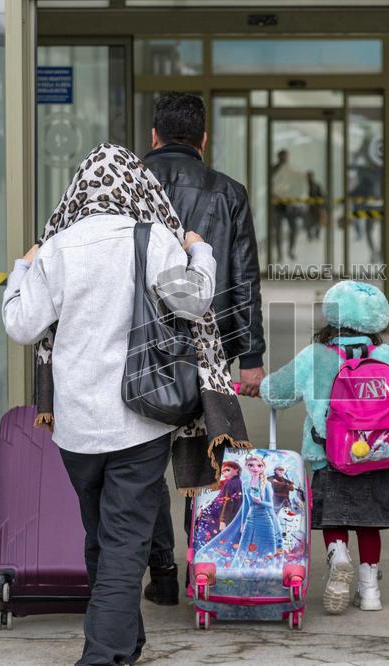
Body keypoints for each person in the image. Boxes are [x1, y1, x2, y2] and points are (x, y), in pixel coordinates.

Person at [2, 144, 217, 665]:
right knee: (122, 543)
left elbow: (21, 325)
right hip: (140, 420)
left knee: (103, 537)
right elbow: (195, 300)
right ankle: (103, 655)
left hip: (76, 427)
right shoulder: (152, 239)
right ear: (138, 187)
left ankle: (125, 642)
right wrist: (200, 252)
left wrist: (22, 267)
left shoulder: (57, 249)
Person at [140, 91, 267, 605]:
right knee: (206, 458)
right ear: (204, 140)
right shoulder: (228, 192)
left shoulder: (130, 186)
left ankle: (162, 574)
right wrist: (251, 357)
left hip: (139, 348)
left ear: (153, 137)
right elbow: (244, 277)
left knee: (142, 463)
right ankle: (203, 569)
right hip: (206, 350)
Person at [259, 281, 389, 615]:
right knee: (368, 523)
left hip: (329, 457)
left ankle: (338, 556)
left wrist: (257, 385)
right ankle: (370, 590)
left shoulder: (316, 355)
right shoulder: (386, 356)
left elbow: (276, 392)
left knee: (334, 518)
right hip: (379, 455)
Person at [195, 453, 284, 572]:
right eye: (251, 465)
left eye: (259, 466)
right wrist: (242, 523)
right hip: (250, 519)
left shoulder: (266, 484)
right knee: (243, 547)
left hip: (265, 519)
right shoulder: (246, 484)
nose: (255, 468)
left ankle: (269, 572)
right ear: (247, 467)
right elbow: (246, 505)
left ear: (263, 467)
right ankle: (237, 572)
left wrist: (260, 501)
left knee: (268, 546)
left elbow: (270, 505)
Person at [270, 149, 305, 262]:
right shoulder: (274, 170)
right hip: (278, 205)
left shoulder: (291, 170)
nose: (284, 159)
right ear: (279, 157)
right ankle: (279, 254)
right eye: (282, 157)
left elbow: (297, 184)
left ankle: (290, 250)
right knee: (278, 231)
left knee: (294, 229)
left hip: (290, 205)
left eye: (285, 157)